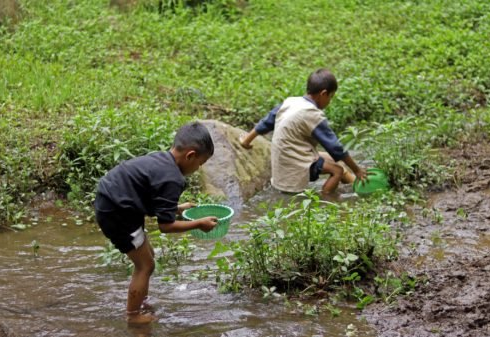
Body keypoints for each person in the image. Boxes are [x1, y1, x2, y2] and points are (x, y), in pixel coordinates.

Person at [94, 121, 218, 324]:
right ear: (190, 156)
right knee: (145, 265)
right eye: (200, 164)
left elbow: (147, 194)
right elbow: (166, 227)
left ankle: (140, 301)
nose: (198, 168)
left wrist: (176, 209)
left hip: (114, 201)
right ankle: (133, 316)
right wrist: (198, 223)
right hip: (118, 213)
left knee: (148, 256)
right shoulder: (173, 179)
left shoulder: (161, 160)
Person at [239, 68, 368, 194]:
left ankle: (357, 185)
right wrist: (357, 169)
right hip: (295, 167)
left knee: (335, 160)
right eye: (331, 97)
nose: (330, 101)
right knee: (338, 170)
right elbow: (335, 148)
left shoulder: (290, 102)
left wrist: (246, 140)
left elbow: (267, 122)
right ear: (323, 94)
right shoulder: (312, 114)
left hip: (283, 164)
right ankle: (327, 200)